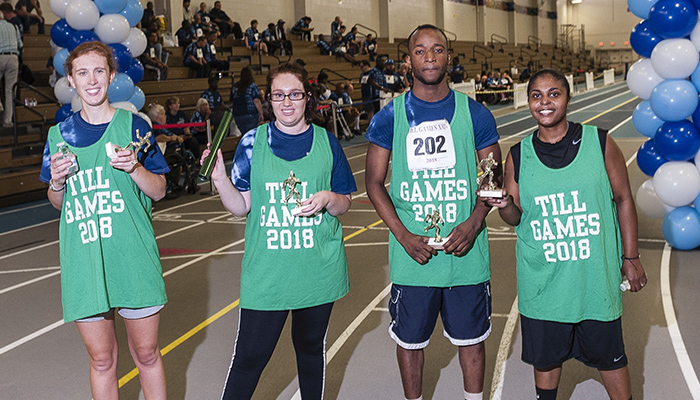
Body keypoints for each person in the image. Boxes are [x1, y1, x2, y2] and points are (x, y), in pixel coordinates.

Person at [485, 68, 647, 400]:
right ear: (529, 102)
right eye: (536, 95)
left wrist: (631, 257)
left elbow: (623, 198)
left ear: (568, 99)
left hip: (593, 280)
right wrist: (503, 203)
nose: (544, 102)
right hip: (544, 284)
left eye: (553, 94)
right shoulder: (518, 155)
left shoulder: (599, 142)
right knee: (546, 362)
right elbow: (515, 217)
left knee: (611, 360)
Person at [202, 61, 356, 400]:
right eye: (278, 95)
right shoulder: (251, 142)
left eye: (295, 94)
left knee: (310, 349)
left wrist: (329, 197)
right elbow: (241, 206)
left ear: (307, 97)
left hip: (317, 270)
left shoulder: (327, 142)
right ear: (268, 99)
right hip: (268, 273)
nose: (287, 102)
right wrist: (219, 178)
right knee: (249, 359)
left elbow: (345, 202)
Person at [364, 24, 501, 400]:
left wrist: (474, 225)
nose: (429, 57)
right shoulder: (389, 117)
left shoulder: (476, 114)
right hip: (414, 254)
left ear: (449, 57)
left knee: (471, 341)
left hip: (465, 253)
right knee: (410, 342)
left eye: (437, 49)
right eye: (420, 51)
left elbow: (493, 178)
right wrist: (403, 235)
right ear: (408, 60)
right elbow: (374, 183)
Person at [38, 41, 168, 400]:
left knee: (146, 353)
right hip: (85, 262)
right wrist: (57, 181)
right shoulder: (58, 136)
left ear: (112, 76)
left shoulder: (135, 127)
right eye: (82, 72)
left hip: (132, 257)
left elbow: (158, 191)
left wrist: (136, 167)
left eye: (99, 71)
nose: (92, 80)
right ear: (71, 80)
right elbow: (57, 202)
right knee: (101, 359)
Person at [0, 9, 21, 128]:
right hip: (13, 57)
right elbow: (20, 44)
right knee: (10, 90)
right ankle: (8, 121)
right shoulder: (14, 27)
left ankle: (0, 105)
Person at [230, 66, 263, 135]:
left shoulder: (235, 87)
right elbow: (256, 100)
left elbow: (232, 100)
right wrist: (261, 113)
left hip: (238, 115)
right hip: (250, 114)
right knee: (251, 136)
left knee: (245, 135)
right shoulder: (252, 86)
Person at [360, 58, 390, 123]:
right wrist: (381, 88)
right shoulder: (370, 72)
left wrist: (385, 88)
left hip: (379, 94)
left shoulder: (379, 71)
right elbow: (369, 82)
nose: (361, 68)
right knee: (371, 111)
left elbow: (382, 81)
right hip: (370, 95)